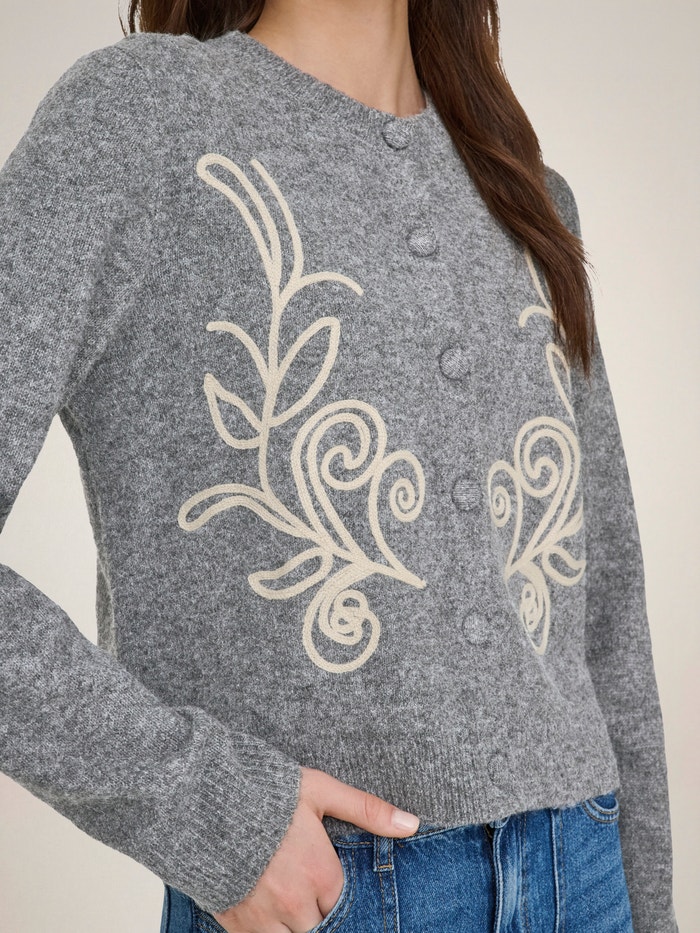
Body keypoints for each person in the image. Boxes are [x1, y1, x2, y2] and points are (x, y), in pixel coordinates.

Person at [0, 0, 679, 931]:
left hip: (587, 870)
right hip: (327, 892)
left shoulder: (530, 193)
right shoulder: (141, 123)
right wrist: (211, 812)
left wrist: (651, 907)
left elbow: (608, 617)